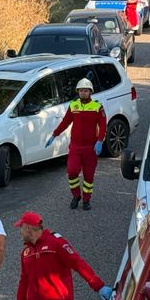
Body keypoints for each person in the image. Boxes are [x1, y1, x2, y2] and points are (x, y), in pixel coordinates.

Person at [46, 78, 106, 210]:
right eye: (81, 91)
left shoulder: (97, 106)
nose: (83, 93)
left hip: (91, 148)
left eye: (86, 91)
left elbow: (102, 126)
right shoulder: (73, 105)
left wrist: (100, 141)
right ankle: (76, 195)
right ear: (78, 92)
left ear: (90, 92)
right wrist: (54, 134)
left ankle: (86, 200)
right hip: (75, 146)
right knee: (72, 171)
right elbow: (65, 122)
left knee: (88, 176)